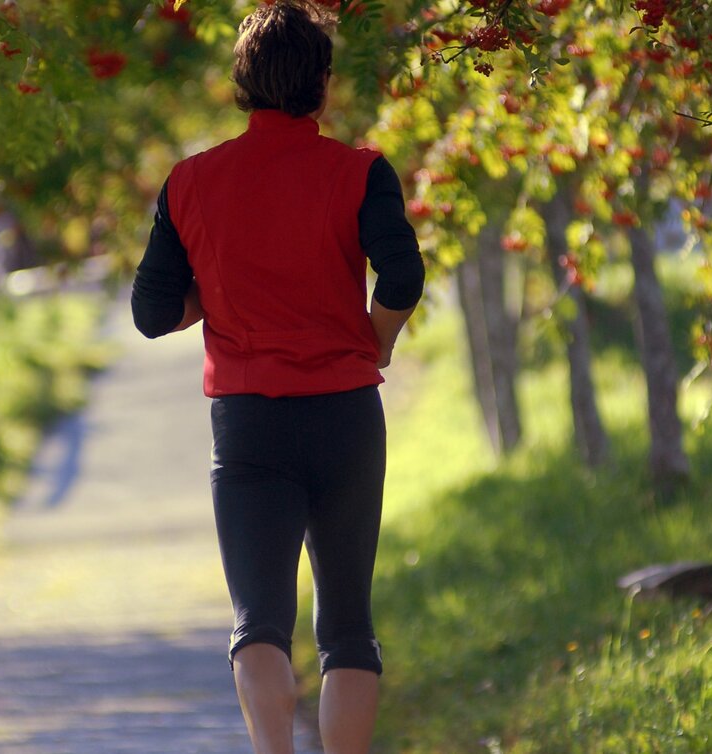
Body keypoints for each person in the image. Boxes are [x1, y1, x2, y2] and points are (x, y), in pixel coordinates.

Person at [130, 2, 424, 752]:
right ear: (323, 87)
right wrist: (376, 343)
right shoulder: (360, 172)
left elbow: (152, 312)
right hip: (345, 416)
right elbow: (400, 274)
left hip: (249, 426)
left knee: (258, 622)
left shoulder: (191, 182)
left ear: (241, 84)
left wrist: (220, 293)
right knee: (347, 626)